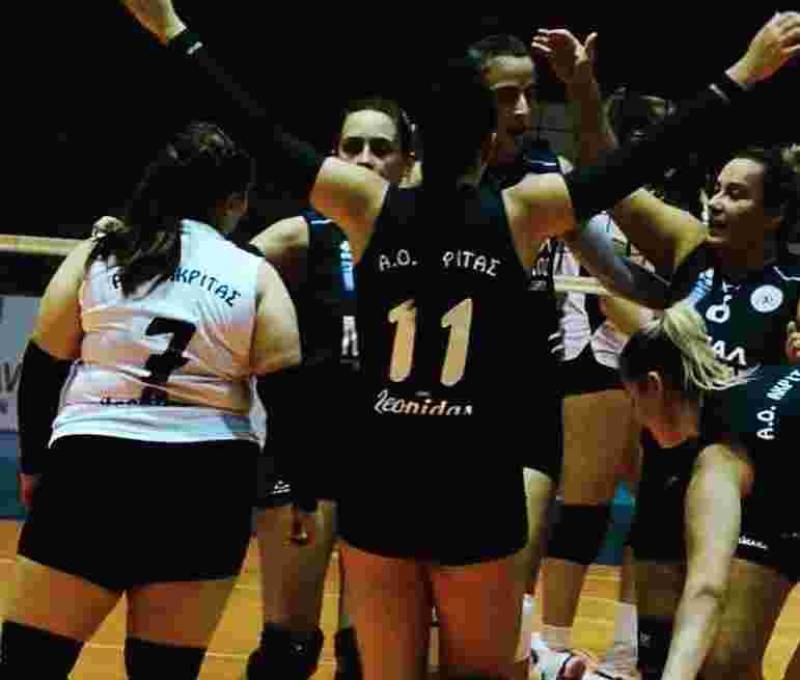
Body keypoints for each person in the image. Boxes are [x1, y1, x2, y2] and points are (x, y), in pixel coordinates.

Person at [120, 3, 799, 676]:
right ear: (486, 141)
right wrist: (744, 71)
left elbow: (261, 131)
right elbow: (638, 160)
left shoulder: (366, 204)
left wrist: (176, 32)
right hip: (476, 481)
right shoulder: (523, 209)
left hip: (383, 477)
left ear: (416, 143)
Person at [0, 121, 302, 679]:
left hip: (93, 468)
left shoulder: (102, 254)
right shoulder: (253, 274)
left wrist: (35, 466)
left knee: (28, 665)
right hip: (206, 482)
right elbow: (289, 399)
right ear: (235, 202)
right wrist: (271, 489)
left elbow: (42, 367)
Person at [246, 96, 415, 680]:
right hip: (307, 455)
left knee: (366, 654)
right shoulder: (303, 234)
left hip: (392, 456)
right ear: (332, 157)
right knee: (287, 648)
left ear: (406, 162)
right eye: (352, 147)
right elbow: (218, 267)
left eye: (381, 148)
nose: (365, 159)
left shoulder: (430, 238)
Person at [618, 302, 799, 680]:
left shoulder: (720, 453)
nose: (635, 416)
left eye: (633, 400)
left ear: (654, 386)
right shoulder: (743, 389)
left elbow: (706, 589)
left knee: (721, 662)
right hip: (785, 494)